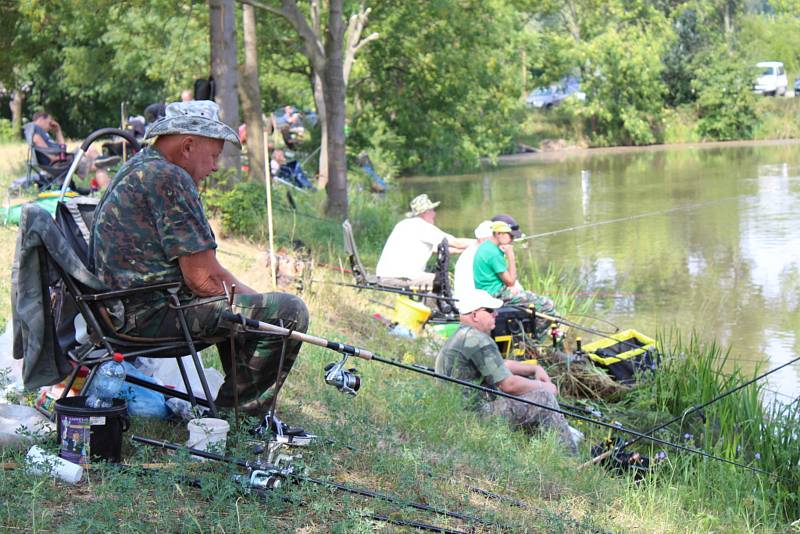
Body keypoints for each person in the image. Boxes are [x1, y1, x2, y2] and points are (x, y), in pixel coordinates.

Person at [90, 100, 310, 421]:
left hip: (121, 311)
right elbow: (203, 279)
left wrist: (253, 302)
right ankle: (241, 421)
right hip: (150, 317)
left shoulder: (140, 166)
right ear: (189, 145)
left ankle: (233, 409)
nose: (217, 166)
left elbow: (206, 279)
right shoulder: (170, 179)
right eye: (215, 155)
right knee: (288, 313)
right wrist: (262, 308)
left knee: (247, 309)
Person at [434, 290, 579, 454]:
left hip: (454, 415)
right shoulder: (478, 339)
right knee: (543, 398)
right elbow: (509, 385)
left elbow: (500, 365)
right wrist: (544, 387)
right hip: (471, 419)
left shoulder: (462, 335)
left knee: (528, 389)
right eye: (490, 311)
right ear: (475, 315)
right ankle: (569, 458)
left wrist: (534, 368)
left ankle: (540, 447)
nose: (495, 314)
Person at [472, 214, 556, 337]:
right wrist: (510, 255)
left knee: (529, 297)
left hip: (487, 291)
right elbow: (510, 281)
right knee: (548, 306)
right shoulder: (493, 253)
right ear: (499, 233)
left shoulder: (485, 246)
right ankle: (534, 341)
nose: (512, 239)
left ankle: (527, 336)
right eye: (510, 236)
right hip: (496, 294)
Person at [375, 194, 474, 288]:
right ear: (425, 212)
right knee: (444, 279)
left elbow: (439, 249)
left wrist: (465, 250)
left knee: (436, 278)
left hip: (385, 276)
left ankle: (429, 304)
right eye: (432, 210)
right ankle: (432, 306)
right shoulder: (423, 226)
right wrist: (482, 242)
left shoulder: (404, 224)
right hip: (398, 278)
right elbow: (456, 242)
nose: (434, 213)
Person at [28, 111, 119, 190]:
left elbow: (62, 148)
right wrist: (56, 157)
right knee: (100, 167)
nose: (51, 125)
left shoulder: (41, 132)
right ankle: (105, 186)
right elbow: (42, 146)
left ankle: (100, 160)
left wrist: (58, 130)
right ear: (41, 119)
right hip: (59, 164)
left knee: (91, 149)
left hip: (62, 160)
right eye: (49, 122)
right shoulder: (36, 130)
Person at [453, 220, 493, 302]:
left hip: (466, 299)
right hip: (474, 301)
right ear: (484, 239)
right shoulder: (481, 255)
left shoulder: (471, 250)